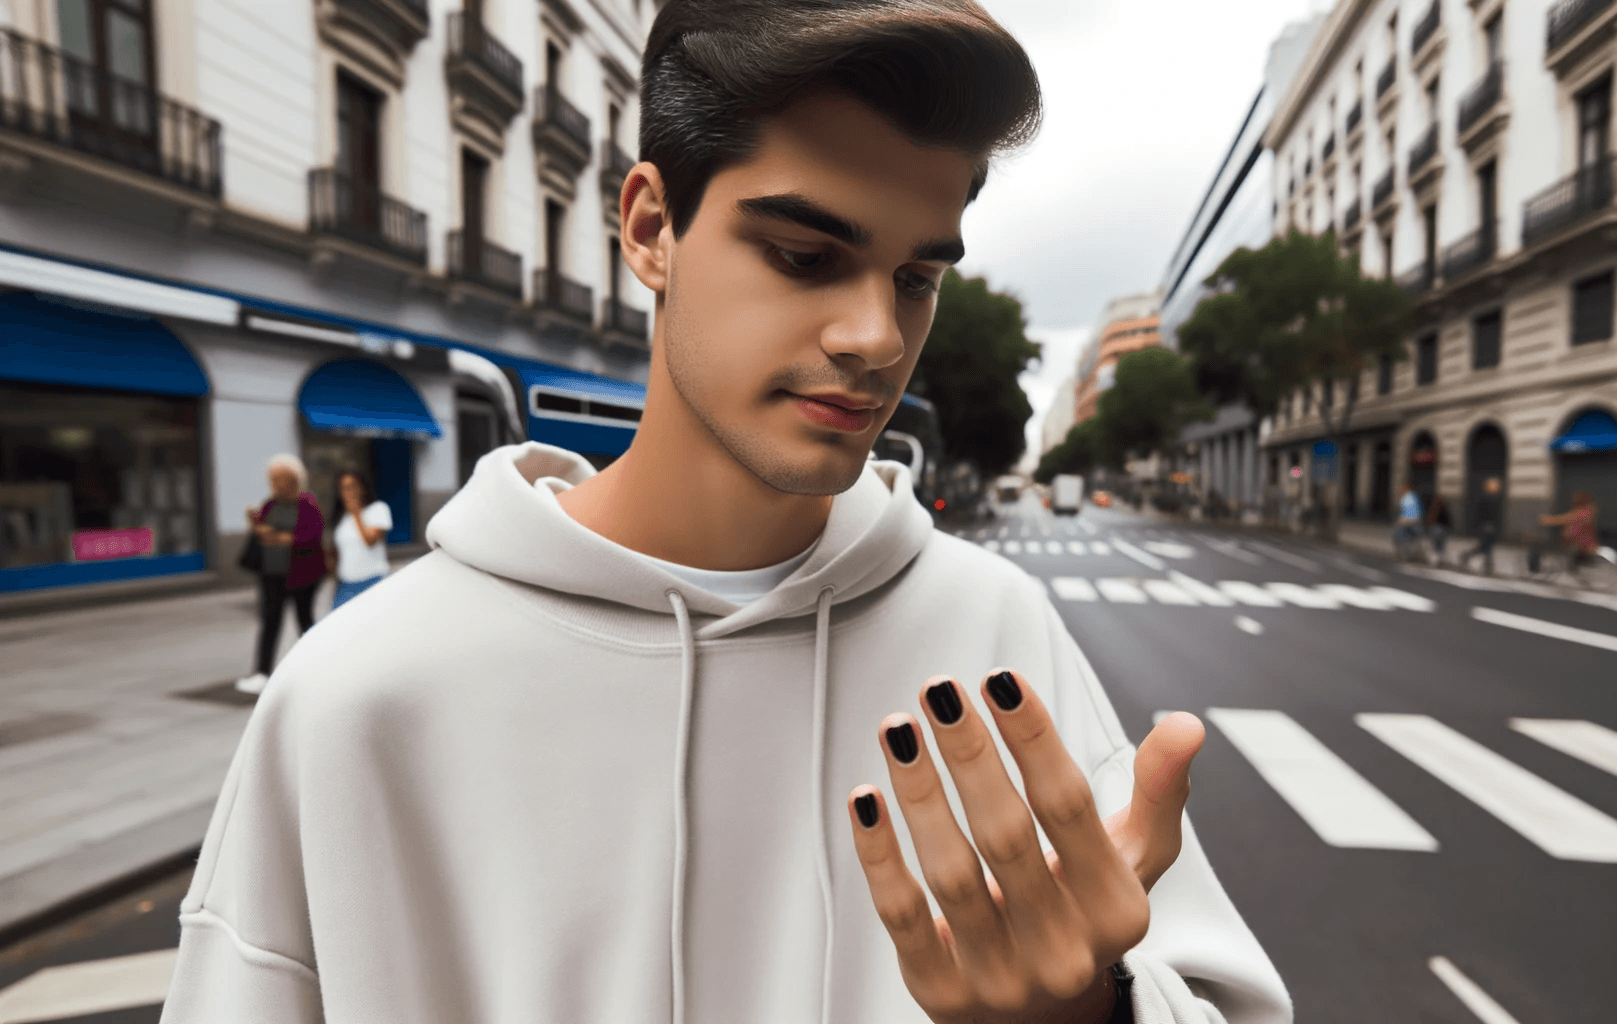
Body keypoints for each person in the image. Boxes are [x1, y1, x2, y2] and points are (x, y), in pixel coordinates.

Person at [160, 3, 1291, 1024]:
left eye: (915, 277)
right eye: (805, 255)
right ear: (651, 227)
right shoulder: (359, 694)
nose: (876, 337)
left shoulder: (999, 636)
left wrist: (1087, 1013)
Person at [234, 455, 325, 696]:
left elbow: (312, 537)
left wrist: (285, 538)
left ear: (294, 480)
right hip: (271, 574)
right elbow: (263, 535)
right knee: (269, 622)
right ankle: (262, 673)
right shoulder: (269, 505)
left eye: (278, 479)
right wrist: (256, 524)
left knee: (304, 621)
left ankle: (320, 669)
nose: (273, 483)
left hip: (302, 575)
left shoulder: (307, 504)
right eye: (271, 479)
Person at [327, 469, 392, 609]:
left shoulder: (378, 509)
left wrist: (357, 514)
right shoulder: (342, 517)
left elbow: (370, 541)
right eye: (344, 488)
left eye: (353, 486)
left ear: (362, 487)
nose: (349, 492)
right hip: (346, 584)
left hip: (372, 580)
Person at [1537, 490, 1600, 572]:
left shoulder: (1584, 512)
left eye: (1576, 498)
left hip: (1577, 542)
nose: (1573, 500)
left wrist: (1547, 520)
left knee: (1538, 546)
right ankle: (1574, 569)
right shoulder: (1584, 510)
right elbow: (1566, 518)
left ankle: (1535, 569)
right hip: (1575, 541)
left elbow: (1565, 518)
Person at [1463, 476, 1503, 573]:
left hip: (1492, 527)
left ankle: (1467, 556)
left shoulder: (1496, 500)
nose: (1495, 488)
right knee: (1487, 547)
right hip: (1486, 527)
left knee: (1485, 547)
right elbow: (1479, 514)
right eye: (1493, 486)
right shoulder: (1484, 500)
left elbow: (1497, 516)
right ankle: (1488, 566)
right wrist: (1478, 525)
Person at [1392, 480, 1423, 554]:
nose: (1400, 489)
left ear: (1406, 488)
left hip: (1408, 522)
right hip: (1415, 521)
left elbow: (1408, 513)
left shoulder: (1407, 498)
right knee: (1411, 538)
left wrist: (1400, 521)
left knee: (1397, 536)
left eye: (1402, 488)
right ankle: (1411, 551)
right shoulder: (1413, 496)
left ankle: (1403, 552)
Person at [1425, 493, 1453, 563]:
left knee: (1435, 533)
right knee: (1437, 535)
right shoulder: (1443, 508)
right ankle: (1439, 553)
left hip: (1441, 530)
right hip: (1445, 530)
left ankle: (1438, 553)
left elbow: (1430, 520)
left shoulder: (1436, 508)